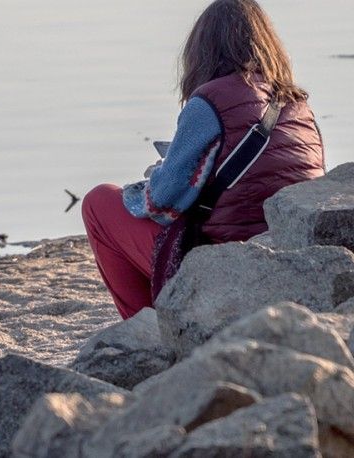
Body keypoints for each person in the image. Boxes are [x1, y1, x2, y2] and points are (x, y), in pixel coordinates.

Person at [82, 0, 325, 320]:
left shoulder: (209, 101)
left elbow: (161, 202)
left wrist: (150, 179)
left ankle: (146, 329)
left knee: (99, 202)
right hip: (288, 260)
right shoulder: (299, 107)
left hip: (224, 265)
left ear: (202, 51)